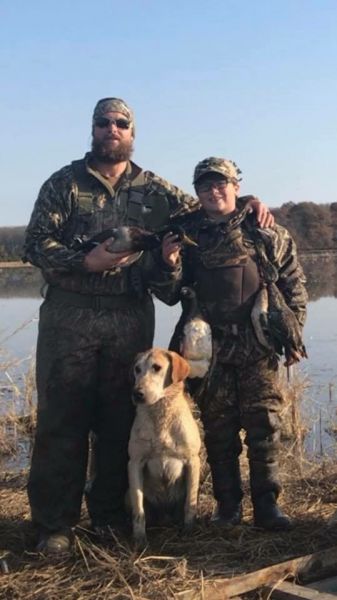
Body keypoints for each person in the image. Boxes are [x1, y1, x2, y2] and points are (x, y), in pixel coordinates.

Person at [23, 98, 274, 555]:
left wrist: (248, 201)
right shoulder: (63, 183)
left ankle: (109, 517)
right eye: (104, 123)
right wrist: (85, 260)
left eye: (122, 123)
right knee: (63, 420)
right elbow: (36, 244)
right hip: (69, 316)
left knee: (120, 421)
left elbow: (207, 210)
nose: (112, 129)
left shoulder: (156, 190)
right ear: (93, 129)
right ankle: (54, 525)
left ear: (132, 132)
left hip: (128, 315)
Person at [161, 157, 308, 530]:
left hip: (257, 344)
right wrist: (170, 263)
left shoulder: (265, 231)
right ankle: (227, 507)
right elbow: (168, 294)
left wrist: (293, 335)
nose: (214, 191)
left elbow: (294, 287)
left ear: (236, 186)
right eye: (205, 186)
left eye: (221, 183)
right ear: (197, 192)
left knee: (264, 427)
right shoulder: (184, 233)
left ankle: (267, 507)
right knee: (218, 430)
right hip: (205, 347)